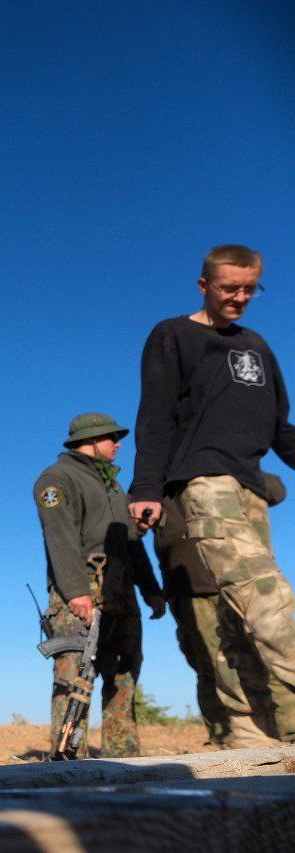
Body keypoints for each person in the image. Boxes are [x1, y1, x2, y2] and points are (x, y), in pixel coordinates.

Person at [129, 244, 295, 747]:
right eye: (229, 288)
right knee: (267, 599)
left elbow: (280, 430)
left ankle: (254, 741)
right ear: (204, 285)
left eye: (250, 289)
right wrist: (146, 489)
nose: (239, 297)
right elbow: (156, 416)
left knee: (237, 620)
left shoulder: (257, 346)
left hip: (251, 489)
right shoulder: (173, 335)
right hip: (203, 483)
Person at [33, 413, 165, 758]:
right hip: (80, 590)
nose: (118, 444)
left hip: (122, 591)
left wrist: (151, 590)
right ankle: (69, 763)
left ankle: (124, 759)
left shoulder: (114, 486)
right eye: (112, 437)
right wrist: (76, 591)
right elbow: (59, 536)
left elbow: (132, 543)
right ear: (91, 439)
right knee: (75, 676)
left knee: (124, 673)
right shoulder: (57, 478)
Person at [154, 472, 295, 746]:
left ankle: (288, 731)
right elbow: (134, 522)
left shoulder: (221, 466)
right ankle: (225, 737)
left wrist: (237, 474)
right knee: (209, 665)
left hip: (237, 577)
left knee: (267, 650)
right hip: (188, 589)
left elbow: (276, 489)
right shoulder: (157, 479)